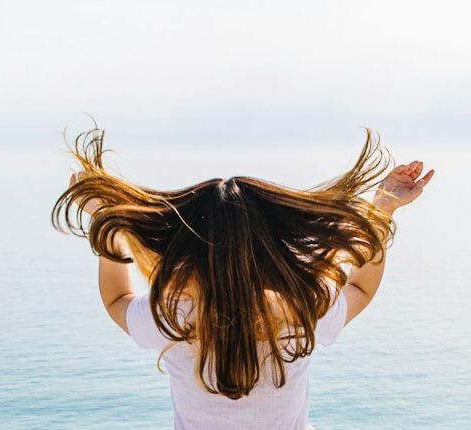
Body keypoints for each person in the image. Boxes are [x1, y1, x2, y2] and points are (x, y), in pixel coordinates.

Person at [52, 127, 434, 429]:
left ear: (188, 250)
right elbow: (360, 286)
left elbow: (116, 299)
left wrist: (107, 222)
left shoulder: (174, 316)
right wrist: (382, 206)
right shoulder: (300, 311)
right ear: (276, 249)